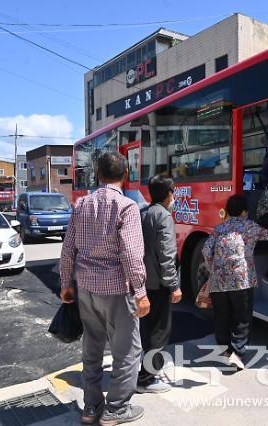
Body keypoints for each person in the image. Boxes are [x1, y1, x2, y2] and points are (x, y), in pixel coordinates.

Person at [60, 152, 149, 426]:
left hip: (85, 288)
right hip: (116, 290)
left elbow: (67, 249)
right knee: (127, 352)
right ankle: (117, 409)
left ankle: (91, 407)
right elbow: (131, 254)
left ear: (97, 175)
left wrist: (65, 284)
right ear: (126, 176)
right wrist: (141, 291)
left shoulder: (82, 204)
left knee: (92, 347)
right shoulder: (126, 207)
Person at [202, 194, 268, 370]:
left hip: (218, 281)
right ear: (245, 211)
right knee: (242, 317)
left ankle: (225, 350)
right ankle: (237, 353)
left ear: (228, 211)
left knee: (222, 316)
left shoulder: (219, 228)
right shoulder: (250, 226)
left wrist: (213, 269)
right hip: (241, 280)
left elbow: (206, 251)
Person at [137, 175, 182, 394]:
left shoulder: (143, 212)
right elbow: (167, 255)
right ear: (168, 194)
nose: (174, 195)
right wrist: (174, 285)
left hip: (144, 282)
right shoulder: (163, 217)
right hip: (159, 285)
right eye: (173, 191)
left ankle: (144, 373)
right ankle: (146, 378)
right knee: (159, 333)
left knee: (147, 330)